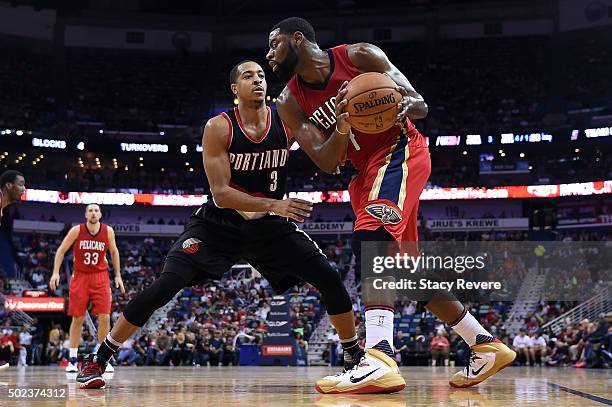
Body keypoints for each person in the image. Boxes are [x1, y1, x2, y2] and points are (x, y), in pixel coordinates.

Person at [75, 60, 361, 390]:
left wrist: (341, 128)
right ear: (234, 89)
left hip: (268, 228)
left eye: (261, 76)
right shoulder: (219, 127)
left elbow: (329, 162)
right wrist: (275, 203)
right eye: (248, 76)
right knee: (165, 286)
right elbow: (222, 195)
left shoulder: (286, 119)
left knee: (328, 277)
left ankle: (353, 357)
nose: (257, 80)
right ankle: (97, 359)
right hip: (217, 225)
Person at [266, 17, 515, 393]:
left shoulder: (360, 55)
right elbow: (327, 160)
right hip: (364, 171)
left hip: (400, 151)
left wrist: (402, 105)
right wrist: (343, 125)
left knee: (370, 241)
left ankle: (378, 356)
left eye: (274, 44)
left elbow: (420, 105)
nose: (269, 55)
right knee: (404, 273)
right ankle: (484, 344)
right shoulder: (288, 100)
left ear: (297, 39)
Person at [49, 203, 125, 372]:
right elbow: (61, 251)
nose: (93, 213)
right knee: (77, 318)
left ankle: (102, 358)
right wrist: (55, 273)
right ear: (85, 214)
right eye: (90, 210)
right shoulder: (77, 230)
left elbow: (114, 252)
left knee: (105, 316)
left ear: (100, 214)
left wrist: (118, 275)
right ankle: (72, 360)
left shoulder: (108, 231)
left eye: (96, 210)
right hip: (80, 276)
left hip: (101, 277)